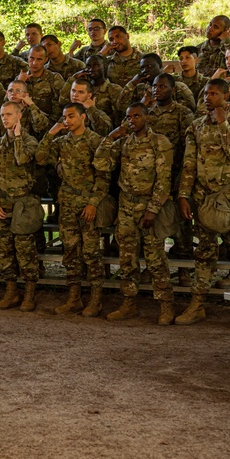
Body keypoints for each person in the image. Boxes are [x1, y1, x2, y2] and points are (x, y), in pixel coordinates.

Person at [93, 103, 174, 324]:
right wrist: (111, 136)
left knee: (155, 259)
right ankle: (129, 302)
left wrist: (153, 209)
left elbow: (164, 180)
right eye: (129, 117)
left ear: (147, 118)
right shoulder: (125, 143)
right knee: (126, 258)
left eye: (137, 116)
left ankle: (166, 304)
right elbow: (100, 162)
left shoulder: (159, 142)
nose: (132, 120)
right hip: (126, 206)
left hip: (149, 207)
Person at [36, 103, 108, 316]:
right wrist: (51, 133)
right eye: (64, 117)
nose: (67, 120)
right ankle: (74, 298)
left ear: (83, 117)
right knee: (70, 252)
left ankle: (96, 300)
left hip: (87, 205)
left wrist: (93, 203)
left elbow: (104, 177)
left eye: (71, 116)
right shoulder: (61, 142)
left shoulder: (95, 141)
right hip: (67, 204)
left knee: (91, 253)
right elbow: (40, 158)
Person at [175, 79, 230, 324]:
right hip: (204, 199)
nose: (208, 97)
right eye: (206, 93)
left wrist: (223, 124)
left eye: (214, 93)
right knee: (204, 254)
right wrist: (184, 196)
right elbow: (189, 165)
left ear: (226, 96)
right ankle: (197, 305)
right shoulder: (196, 127)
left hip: (228, 199)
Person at [0, 102, 41, 311]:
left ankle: (29, 294)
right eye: (2, 115)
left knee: (26, 253)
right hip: (3, 206)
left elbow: (23, 159)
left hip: (23, 206)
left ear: (19, 117)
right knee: (5, 253)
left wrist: (17, 138)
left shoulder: (29, 141)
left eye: (8, 114)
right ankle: (11, 292)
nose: (4, 118)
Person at [116, 53, 196, 114]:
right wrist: (132, 84)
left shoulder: (177, 87)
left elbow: (190, 111)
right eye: (142, 68)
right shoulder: (139, 88)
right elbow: (121, 108)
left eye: (150, 66)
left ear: (160, 66)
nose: (145, 70)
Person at [60, 55, 123, 126]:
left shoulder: (114, 89)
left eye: (95, 66)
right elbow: (62, 101)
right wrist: (73, 78)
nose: (91, 69)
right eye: (88, 66)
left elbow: (120, 114)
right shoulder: (81, 87)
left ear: (105, 66)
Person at [0, 80, 49, 146]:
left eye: (18, 91)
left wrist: (31, 104)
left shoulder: (33, 112)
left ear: (25, 95)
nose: (13, 93)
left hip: (28, 149)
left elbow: (41, 127)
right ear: (7, 94)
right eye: (11, 91)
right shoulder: (0, 117)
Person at [17, 45, 65, 121]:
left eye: (39, 59)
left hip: (47, 123)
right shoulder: (20, 78)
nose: (34, 63)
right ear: (27, 56)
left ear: (46, 59)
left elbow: (61, 106)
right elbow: (9, 102)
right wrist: (19, 83)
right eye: (32, 58)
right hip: (23, 123)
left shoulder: (54, 78)